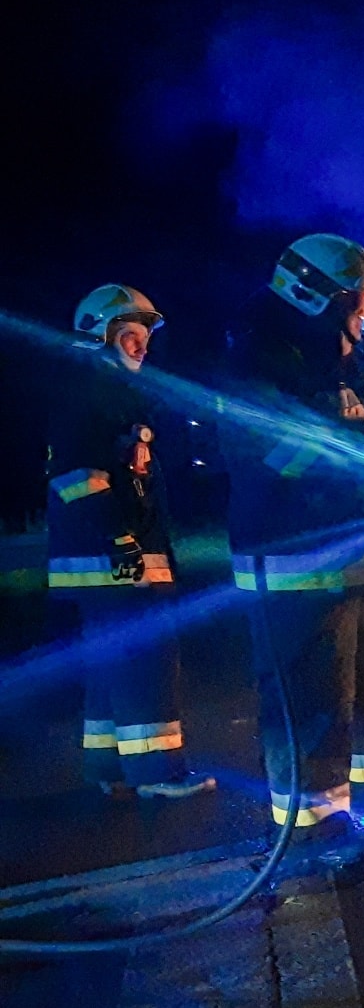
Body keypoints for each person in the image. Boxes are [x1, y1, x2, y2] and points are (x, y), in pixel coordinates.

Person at [224, 234, 364, 874]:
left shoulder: (347, 356)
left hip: (353, 554)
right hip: (297, 559)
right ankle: (313, 827)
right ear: (313, 296)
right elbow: (283, 455)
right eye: (360, 301)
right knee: (312, 694)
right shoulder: (262, 361)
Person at [44, 285, 216, 799]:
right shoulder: (93, 392)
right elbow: (77, 477)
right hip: (118, 555)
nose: (141, 346)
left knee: (112, 663)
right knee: (147, 660)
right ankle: (157, 773)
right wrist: (120, 538)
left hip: (106, 554)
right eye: (130, 336)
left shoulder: (97, 389)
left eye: (143, 336)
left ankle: (109, 766)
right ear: (102, 335)